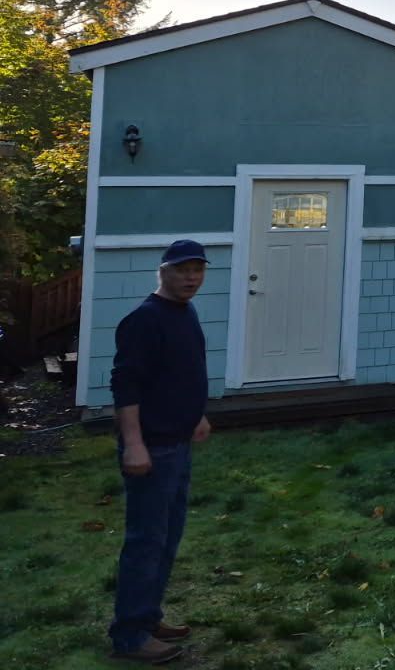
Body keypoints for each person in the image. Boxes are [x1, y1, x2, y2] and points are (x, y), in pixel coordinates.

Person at [107, 238, 213, 664]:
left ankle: (147, 617)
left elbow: (184, 372)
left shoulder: (185, 313)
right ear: (163, 272)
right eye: (183, 270)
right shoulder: (144, 320)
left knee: (167, 537)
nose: (191, 277)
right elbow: (125, 385)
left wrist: (196, 416)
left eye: (198, 270)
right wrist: (133, 444)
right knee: (145, 541)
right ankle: (130, 636)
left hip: (178, 441)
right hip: (151, 448)